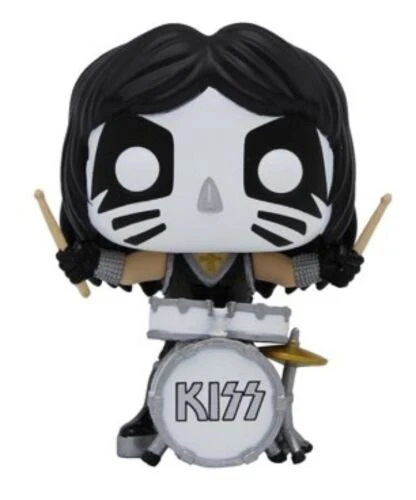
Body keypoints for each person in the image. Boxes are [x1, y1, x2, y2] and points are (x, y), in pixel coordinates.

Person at [57, 23, 363, 466]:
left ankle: (268, 427)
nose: (209, 200)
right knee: (165, 372)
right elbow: (126, 270)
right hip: (181, 337)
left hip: (242, 333)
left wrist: (330, 267)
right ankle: (153, 417)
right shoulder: (172, 260)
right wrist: (87, 261)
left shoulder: (247, 260)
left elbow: (286, 272)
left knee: (251, 378)